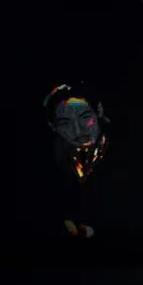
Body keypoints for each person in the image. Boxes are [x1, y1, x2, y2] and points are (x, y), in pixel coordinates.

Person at [42, 83, 109, 239]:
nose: (78, 131)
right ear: (52, 126)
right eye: (65, 123)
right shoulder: (53, 164)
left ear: (99, 111)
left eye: (85, 117)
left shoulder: (131, 155)